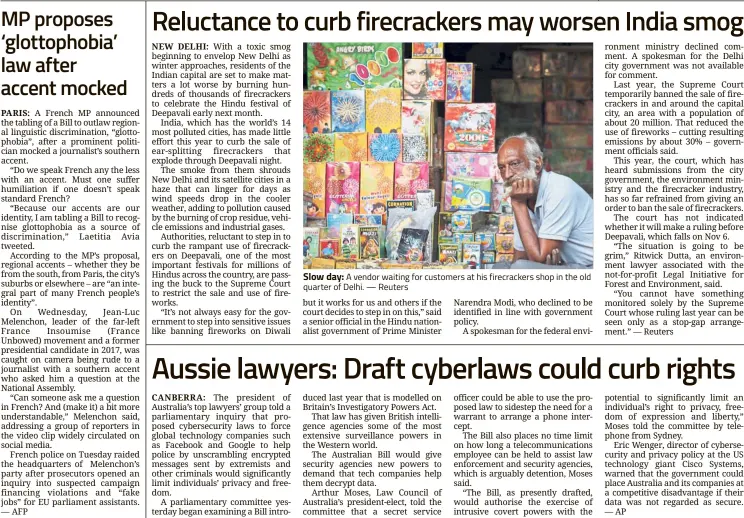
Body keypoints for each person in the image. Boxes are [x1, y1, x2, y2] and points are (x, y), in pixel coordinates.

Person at [496, 134, 593, 268]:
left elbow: (538, 261)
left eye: (514, 164)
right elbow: (520, 256)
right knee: (500, 268)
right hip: (567, 265)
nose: (507, 175)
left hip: (590, 267)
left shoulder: (560, 189)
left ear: (537, 164)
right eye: (501, 167)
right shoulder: (524, 195)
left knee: (521, 268)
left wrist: (518, 204)